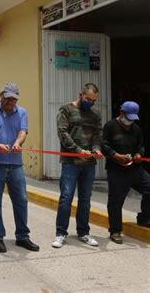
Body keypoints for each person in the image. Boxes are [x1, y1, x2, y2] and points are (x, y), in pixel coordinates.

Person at [0, 83, 40, 253]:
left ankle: (22, 236)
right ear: (1, 95)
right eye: (7, 98)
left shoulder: (22, 112)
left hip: (15, 163)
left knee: (21, 200)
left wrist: (17, 143)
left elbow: (23, 132)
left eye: (14, 99)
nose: (10, 102)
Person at [52, 83, 103, 248]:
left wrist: (96, 149)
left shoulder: (95, 114)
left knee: (85, 199)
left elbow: (97, 134)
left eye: (93, 100)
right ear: (81, 94)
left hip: (89, 164)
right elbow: (62, 133)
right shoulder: (66, 109)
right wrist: (78, 150)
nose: (90, 102)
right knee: (66, 198)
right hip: (71, 163)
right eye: (88, 99)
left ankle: (84, 232)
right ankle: (60, 233)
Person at [102, 101, 150, 243]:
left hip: (135, 170)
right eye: (128, 117)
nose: (130, 121)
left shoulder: (136, 129)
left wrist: (138, 155)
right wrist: (115, 155)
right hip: (116, 170)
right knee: (116, 201)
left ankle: (144, 218)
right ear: (121, 113)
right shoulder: (110, 126)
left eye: (133, 119)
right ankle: (115, 230)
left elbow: (141, 146)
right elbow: (104, 145)